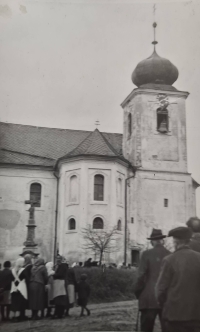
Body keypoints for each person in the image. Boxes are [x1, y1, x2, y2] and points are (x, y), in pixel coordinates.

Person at [156, 226, 200, 332]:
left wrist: (165, 304)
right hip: (196, 315)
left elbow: (160, 290)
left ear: (176, 241)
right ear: (188, 241)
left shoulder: (169, 260)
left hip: (174, 315)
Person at [134, 228, 170, 332]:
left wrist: (138, 292)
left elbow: (140, 276)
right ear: (162, 240)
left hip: (149, 298)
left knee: (146, 328)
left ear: (152, 241)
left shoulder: (146, 254)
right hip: (166, 299)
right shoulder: (170, 254)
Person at [10, 257, 28, 322]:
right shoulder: (23, 270)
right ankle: (19, 316)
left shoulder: (12, 270)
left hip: (14, 287)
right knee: (20, 302)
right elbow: (26, 277)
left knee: (14, 302)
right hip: (21, 287)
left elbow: (11, 279)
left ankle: (13, 316)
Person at [19, 254, 33, 320]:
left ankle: (22, 314)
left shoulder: (26, 266)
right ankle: (22, 315)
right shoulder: (28, 266)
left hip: (24, 284)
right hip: (25, 285)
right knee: (24, 299)